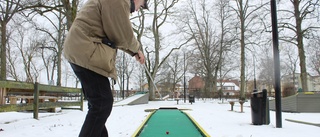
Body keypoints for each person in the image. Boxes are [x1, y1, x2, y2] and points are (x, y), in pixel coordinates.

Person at [63, 0, 147, 136]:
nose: (138, 9)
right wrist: (137, 49)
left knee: (99, 104)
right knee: (102, 102)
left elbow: (115, 34)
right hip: (86, 50)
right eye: (142, 5)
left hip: (82, 50)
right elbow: (123, 34)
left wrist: (134, 52)